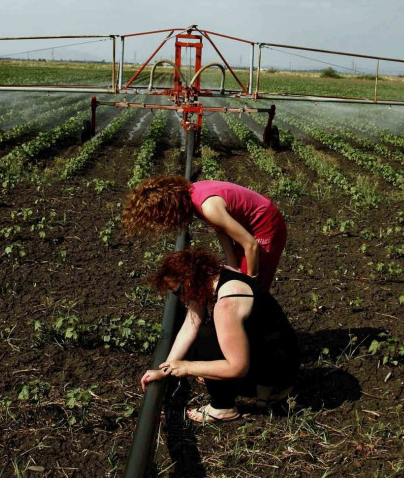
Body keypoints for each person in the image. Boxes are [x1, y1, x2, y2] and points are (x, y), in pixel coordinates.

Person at [139, 247, 299, 422]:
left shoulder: (226, 305)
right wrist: (165, 369)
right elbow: (189, 326)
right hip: (272, 356)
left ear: (190, 281)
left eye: (179, 291)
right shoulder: (213, 278)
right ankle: (263, 390)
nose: (182, 298)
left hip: (278, 370)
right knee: (202, 337)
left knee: (206, 339)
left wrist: (187, 367)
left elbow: (238, 367)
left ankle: (223, 407)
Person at [123, 176, 287, 291]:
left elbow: (251, 245)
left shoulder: (208, 207)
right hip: (251, 221)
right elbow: (221, 229)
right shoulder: (194, 192)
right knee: (240, 273)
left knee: (254, 281)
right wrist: (233, 266)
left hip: (266, 222)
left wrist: (250, 285)